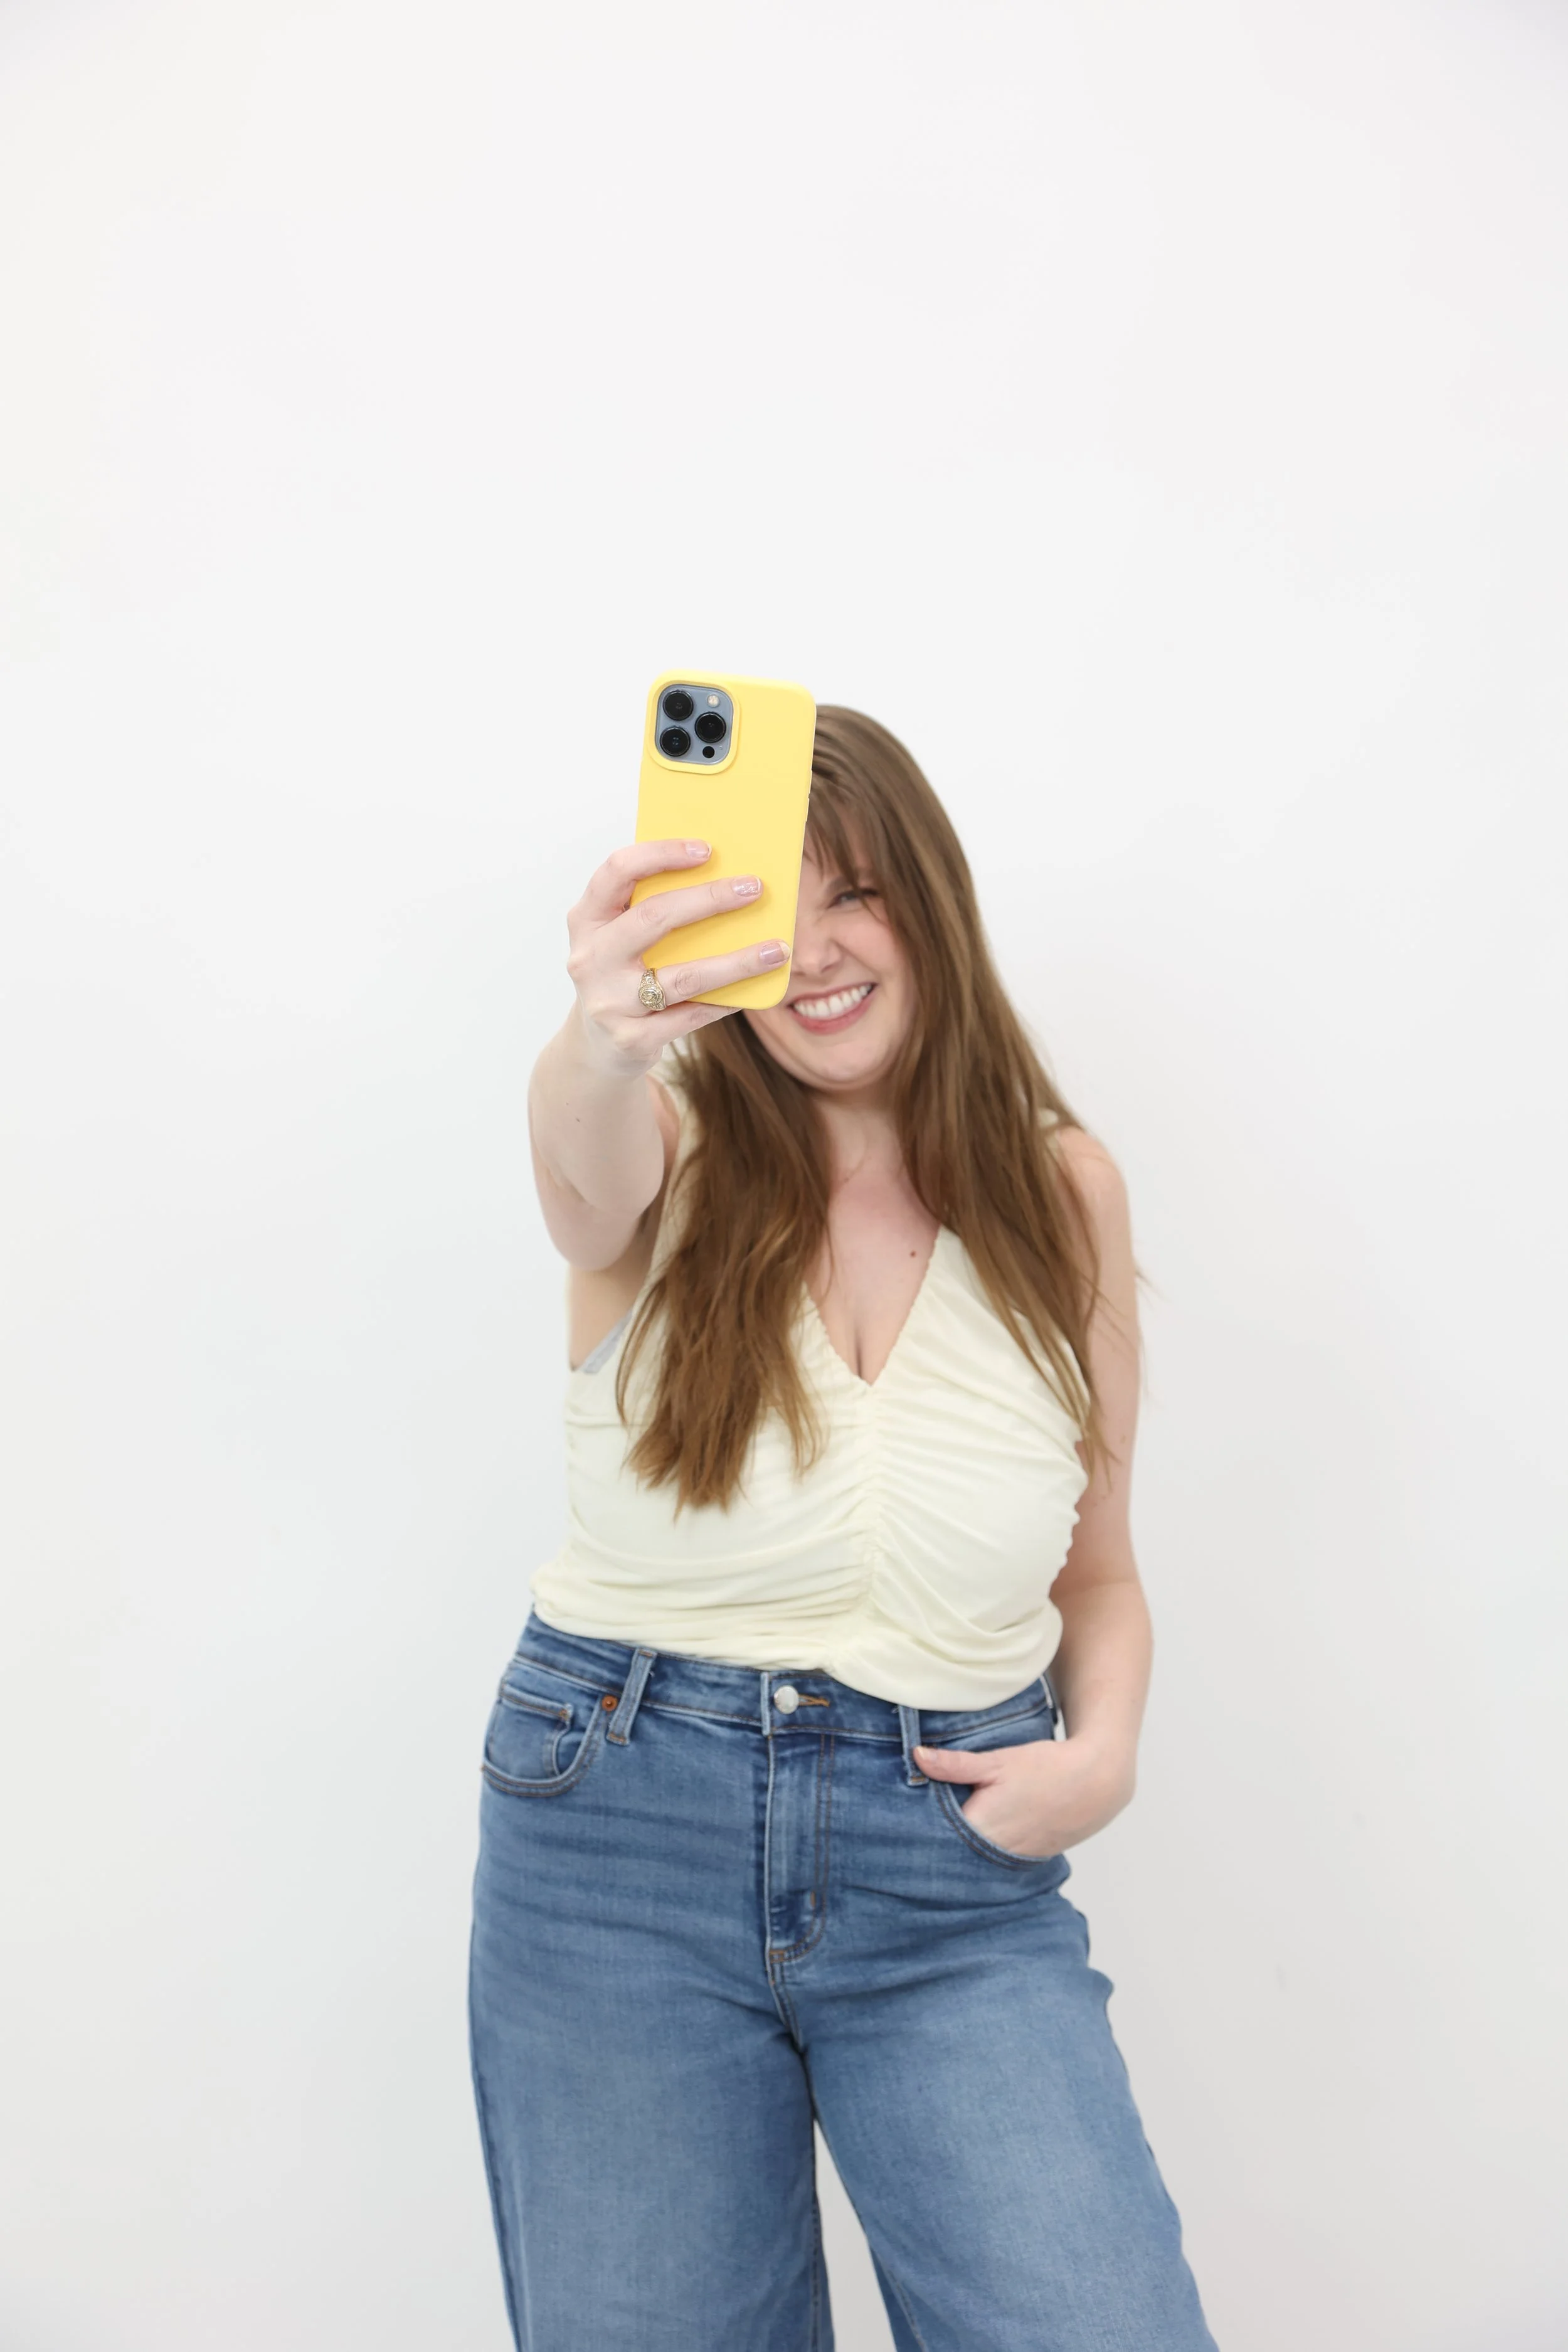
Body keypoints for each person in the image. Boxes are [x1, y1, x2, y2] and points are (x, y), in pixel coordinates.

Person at [468, 706, 1219, 2351]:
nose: (811, 955)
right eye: (766, 909)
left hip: (947, 1857)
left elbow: (1095, 1570)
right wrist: (600, 1034)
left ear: (926, 902)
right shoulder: (658, 1140)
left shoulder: (1060, 1190)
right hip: (618, 1835)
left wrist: (1104, 1754)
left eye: (855, 896)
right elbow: (571, 1175)